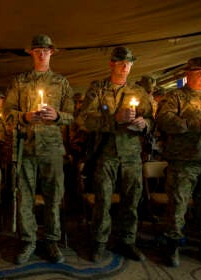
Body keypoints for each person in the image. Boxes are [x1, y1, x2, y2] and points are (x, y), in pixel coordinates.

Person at [77, 46, 153, 263]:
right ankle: (99, 242)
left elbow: (151, 120)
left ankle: (127, 241)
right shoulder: (97, 89)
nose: (125, 67)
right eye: (121, 63)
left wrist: (144, 124)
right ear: (111, 64)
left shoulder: (138, 91)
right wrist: (113, 120)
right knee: (103, 200)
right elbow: (83, 120)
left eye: (129, 63)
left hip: (131, 155)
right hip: (105, 155)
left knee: (131, 200)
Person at [4, 34, 74, 264]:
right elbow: (8, 113)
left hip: (52, 149)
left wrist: (57, 116)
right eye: (37, 50)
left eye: (45, 50)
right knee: (25, 197)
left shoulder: (62, 83)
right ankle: (28, 240)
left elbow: (72, 116)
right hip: (26, 147)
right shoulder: (19, 81)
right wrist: (24, 116)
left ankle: (52, 240)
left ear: (52, 52)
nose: (41, 53)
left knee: (53, 197)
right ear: (31, 53)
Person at [156, 57, 201, 267]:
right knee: (178, 205)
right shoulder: (175, 96)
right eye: (200, 72)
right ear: (189, 74)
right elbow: (165, 121)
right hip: (184, 161)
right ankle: (172, 245)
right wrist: (197, 125)